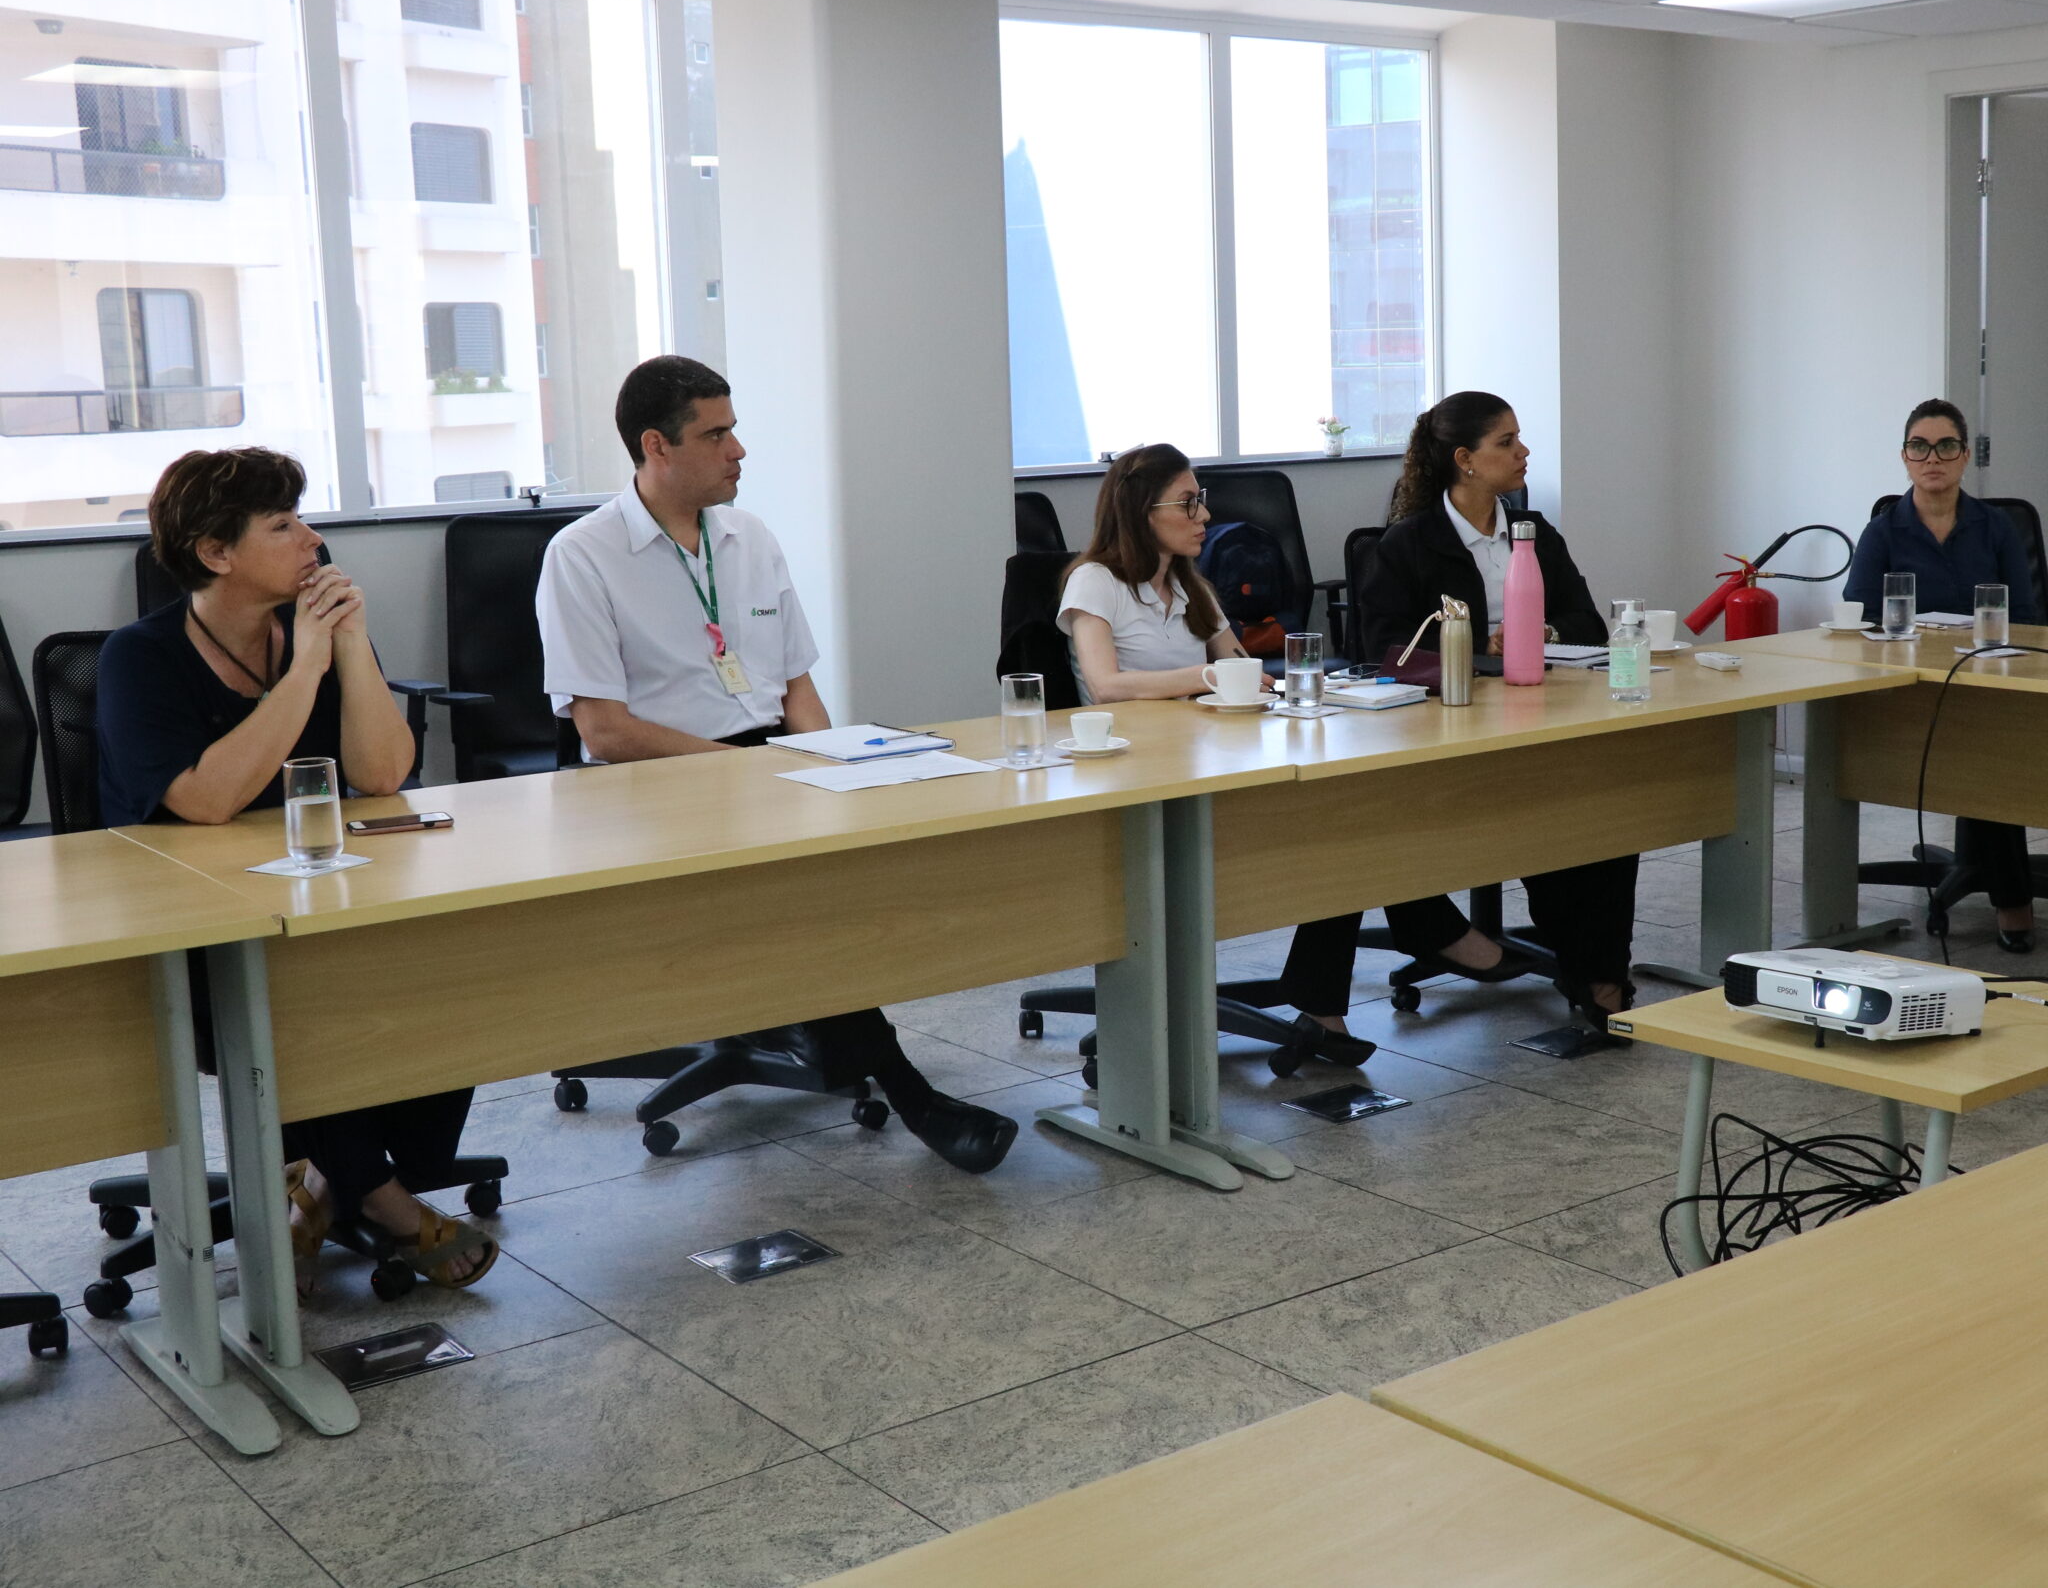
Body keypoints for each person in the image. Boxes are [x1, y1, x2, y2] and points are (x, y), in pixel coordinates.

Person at [535, 355, 1016, 1172]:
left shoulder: (748, 537)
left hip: (767, 761)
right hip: (658, 781)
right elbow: (607, 730)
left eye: (734, 429)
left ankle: (816, 1019)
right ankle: (911, 1092)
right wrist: (743, 773)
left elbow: (797, 686)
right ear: (656, 445)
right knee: (806, 905)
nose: (739, 450)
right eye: (716, 434)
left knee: (877, 859)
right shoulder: (582, 555)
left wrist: (824, 765)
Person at [96, 447, 495, 1293]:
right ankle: (381, 1197)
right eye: (283, 526)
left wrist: (347, 647)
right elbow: (206, 799)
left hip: (313, 893)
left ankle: (322, 1184)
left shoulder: (314, 631)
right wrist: (308, 666)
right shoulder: (139, 659)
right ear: (216, 553)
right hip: (190, 926)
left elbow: (384, 773)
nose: (312, 539)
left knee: (451, 966)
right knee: (295, 997)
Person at [1060, 445, 1534, 1059]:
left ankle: (1325, 1002)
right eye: (1189, 502)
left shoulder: (1189, 584)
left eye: (1200, 499)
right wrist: (1207, 679)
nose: (1204, 515)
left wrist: (1290, 687)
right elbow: (1107, 685)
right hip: (1141, 775)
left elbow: (1241, 666)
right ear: (1139, 512)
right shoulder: (1095, 582)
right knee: (1330, 828)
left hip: (1208, 753)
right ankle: (1416, 939)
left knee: (1343, 811)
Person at [1355, 392, 1641, 1039]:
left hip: (1539, 710)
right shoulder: (1408, 544)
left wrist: (1531, 628)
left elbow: (1585, 622)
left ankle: (1598, 967)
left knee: (1609, 810)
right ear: (1465, 460)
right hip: (1449, 726)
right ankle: (1584, 966)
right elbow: (1381, 650)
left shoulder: (1532, 529)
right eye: (1507, 442)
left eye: (1520, 439)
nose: (1524, 452)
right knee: (1539, 809)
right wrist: (1475, 649)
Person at [1843, 399, 2048, 952]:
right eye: (1920, 447)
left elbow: (2028, 618)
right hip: (1910, 687)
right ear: (1905, 458)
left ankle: (2012, 899)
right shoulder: (1884, 530)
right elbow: (1857, 614)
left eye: (1946, 447)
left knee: (1986, 747)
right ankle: (2012, 894)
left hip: (1989, 682)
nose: (1932, 458)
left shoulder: (1996, 526)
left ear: (1964, 457)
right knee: (1976, 749)